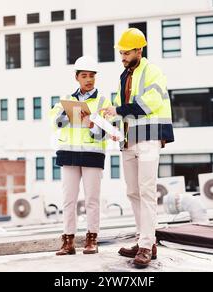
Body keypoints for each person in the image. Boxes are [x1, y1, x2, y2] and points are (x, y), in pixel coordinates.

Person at [102, 28, 175, 268]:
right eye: (121, 52)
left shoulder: (153, 71)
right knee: (132, 191)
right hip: (129, 139)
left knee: (146, 191)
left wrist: (119, 110)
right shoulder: (124, 76)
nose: (122, 56)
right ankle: (145, 239)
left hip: (149, 138)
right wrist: (113, 124)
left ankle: (146, 245)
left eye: (126, 52)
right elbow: (122, 108)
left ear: (139, 50)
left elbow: (150, 103)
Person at [50, 56, 112, 256]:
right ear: (76, 77)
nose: (88, 79)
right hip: (69, 154)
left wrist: (92, 125)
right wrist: (68, 114)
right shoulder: (66, 100)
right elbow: (56, 124)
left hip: (92, 155)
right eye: (84, 76)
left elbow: (105, 132)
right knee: (69, 199)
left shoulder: (103, 101)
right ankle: (68, 241)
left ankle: (91, 239)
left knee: (92, 200)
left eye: (92, 76)